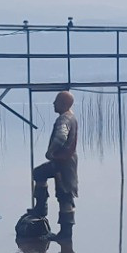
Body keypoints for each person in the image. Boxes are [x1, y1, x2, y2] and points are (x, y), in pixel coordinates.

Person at [28, 90, 79, 242]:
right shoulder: (71, 117)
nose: (53, 104)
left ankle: (65, 232)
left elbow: (61, 136)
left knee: (65, 195)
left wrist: (51, 152)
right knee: (39, 173)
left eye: (56, 101)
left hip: (64, 162)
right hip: (64, 161)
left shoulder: (64, 119)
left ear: (63, 104)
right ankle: (41, 208)